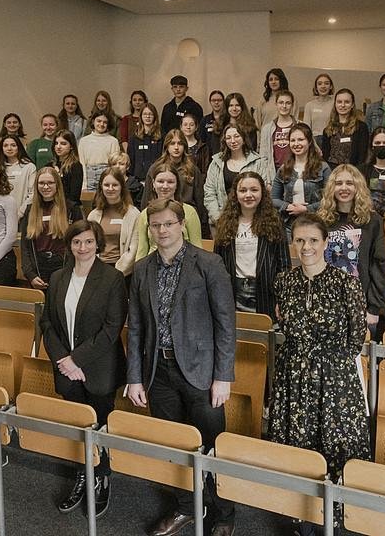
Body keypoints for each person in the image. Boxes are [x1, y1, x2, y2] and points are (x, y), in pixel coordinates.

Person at [126, 199, 237, 536]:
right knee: (172, 444)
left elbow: (226, 323)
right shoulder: (142, 268)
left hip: (202, 372)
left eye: (168, 224)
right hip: (158, 371)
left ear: (182, 225)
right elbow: (135, 328)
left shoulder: (208, 263)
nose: (162, 230)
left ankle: (224, 511)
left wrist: (223, 376)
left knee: (211, 443)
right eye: (156, 225)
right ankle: (188, 507)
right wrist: (134, 378)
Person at [268, 213, 369, 518]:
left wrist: (327, 362)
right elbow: (284, 323)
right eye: (299, 240)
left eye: (313, 240)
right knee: (297, 446)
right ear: (292, 244)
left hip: (334, 379)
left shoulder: (345, 282)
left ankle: (336, 516)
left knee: (334, 446)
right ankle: (301, 514)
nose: (306, 246)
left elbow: (356, 337)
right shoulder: (284, 280)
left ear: (325, 243)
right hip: (293, 375)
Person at [41, 219, 127, 519]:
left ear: (97, 244)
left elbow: (112, 328)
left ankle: (102, 477)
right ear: (70, 245)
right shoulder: (57, 278)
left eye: (88, 241)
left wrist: (77, 359)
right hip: (66, 369)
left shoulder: (112, 278)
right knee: (78, 425)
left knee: (100, 426)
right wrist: (63, 360)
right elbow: (47, 324)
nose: (82, 247)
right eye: (77, 242)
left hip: (100, 369)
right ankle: (82, 474)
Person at [317, 165, 385, 339]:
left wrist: (373, 307)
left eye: (350, 183)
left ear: (358, 187)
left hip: (360, 307)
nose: (344, 188)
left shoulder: (373, 221)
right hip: (326, 306)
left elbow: (379, 264)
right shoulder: (321, 221)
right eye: (339, 183)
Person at [213, 172, 290, 319]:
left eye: (254, 190)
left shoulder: (274, 221)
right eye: (243, 190)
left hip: (265, 291)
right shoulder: (225, 222)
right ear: (235, 194)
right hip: (233, 291)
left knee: (262, 335)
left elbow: (284, 265)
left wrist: (282, 297)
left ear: (262, 192)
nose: (248, 195)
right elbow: (217, 263)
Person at [20, 167, 82, 290]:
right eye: (42, 183)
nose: (46, 187)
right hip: (39, 269)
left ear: (57, 184)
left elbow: (80, 242)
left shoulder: (71, 209)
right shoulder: (30, 210)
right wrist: (30, 275)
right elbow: (25, 246)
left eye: (50, 183)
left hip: (64, 268)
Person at [204, 124, 275, 226]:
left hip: (252, 221)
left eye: (237, 136)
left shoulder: (258, 162)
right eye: (228, 138)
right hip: (221, 220)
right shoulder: (216, 163)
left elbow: (263, 192)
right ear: (224, 141)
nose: (233, 141)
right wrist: (218, 218)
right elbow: (209, 192)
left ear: (244, 138)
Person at [141, 129, 207, 236]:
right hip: (159, 215)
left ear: (185, 146)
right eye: (172, 143)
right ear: (166, 146)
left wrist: (202, 223)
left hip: (186, 217)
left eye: (180, 143)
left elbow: (200, 200)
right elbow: (146, 200)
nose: (176, 147)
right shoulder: (155, 168)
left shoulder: (192, 170)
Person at [271, 123, 330, 232]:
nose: (296, 144)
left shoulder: (323, 167)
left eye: (301, 140)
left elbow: (330, 199)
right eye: (293, 140)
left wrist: (307, 209)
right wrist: (288, 206)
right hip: (289, 226)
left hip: (316, 224)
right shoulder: (283, 169)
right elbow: (273, 198)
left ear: (310, 141)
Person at [135, 164, 202, 260]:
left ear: (177, 185)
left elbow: (197, 248)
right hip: (152, 266)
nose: (165, 186)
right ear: (153, 184)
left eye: (170, 182)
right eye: (160, 181)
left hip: (185, 266)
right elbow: (141, 251)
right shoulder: (144, 214)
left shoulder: (189, 212)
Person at [86, 167, 141, 277]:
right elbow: (88, 245)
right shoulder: (93, 215)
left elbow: (134, 248)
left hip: (123, 273)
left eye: (115, 185)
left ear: (122, 187)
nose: (110, 188)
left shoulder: (133, 214)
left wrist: (117, 273)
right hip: (97, 270)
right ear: (101, 187)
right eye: (106, 185)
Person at [320, 88, 369, 169]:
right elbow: (325, 156)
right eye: (339, 102)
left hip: (353, 171)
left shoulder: (361, 127)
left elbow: (362, 156)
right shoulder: (328, 129)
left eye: (347, 102)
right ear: (335, 104)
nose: (342, 105)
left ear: (352, 104)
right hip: (332, 172)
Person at [78, 111, 120, 192]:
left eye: (105, 122)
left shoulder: (113, 141)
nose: (101, 124)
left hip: (106, 175)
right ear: (93, 121)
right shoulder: (84, 141)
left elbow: (114, 165)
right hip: (88, 176)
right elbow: (82, 163)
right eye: (99, 121)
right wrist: (84, 185)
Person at [0, 135, 36, 218]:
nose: (9, 148)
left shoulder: (29, 167)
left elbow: (32, 194)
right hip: (2, 214)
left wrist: (20, 213)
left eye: (13, 145)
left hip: (24, 214)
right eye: (5, 146)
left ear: (19, 147)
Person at [258, 89, 297, 168]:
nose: (284, 106)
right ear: (276, 104)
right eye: (281, 102)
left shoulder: (300, 126)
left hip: (296, 171)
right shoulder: (267, 129)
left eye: (288, 103)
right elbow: (263, 156)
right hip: (274, 172)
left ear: (292, 105)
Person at [128, 102, 164, 186]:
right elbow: (131, 160)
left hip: (156, 179)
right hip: (137, 181)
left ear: (155, 116)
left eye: (150, 114)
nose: (148, 116)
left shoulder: (161, 136)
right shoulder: (134, 137)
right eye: (145, 114)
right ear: (141, 116)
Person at [50, 129, 83, 212]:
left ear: (71, 146)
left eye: (63, 144)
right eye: (56, 143)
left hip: (69, 209)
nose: (58, 147)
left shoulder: (75, 166)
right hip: (51, 207)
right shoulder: (49, 165)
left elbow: (74, 196)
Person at [181, 112, 211, 178]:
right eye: (185, 125)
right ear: (181, 127)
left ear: (196, 127)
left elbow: (205, 170)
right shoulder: (178, 145)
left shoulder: (203, 147)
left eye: (191, 125)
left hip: (198, 182)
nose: (188, 127)